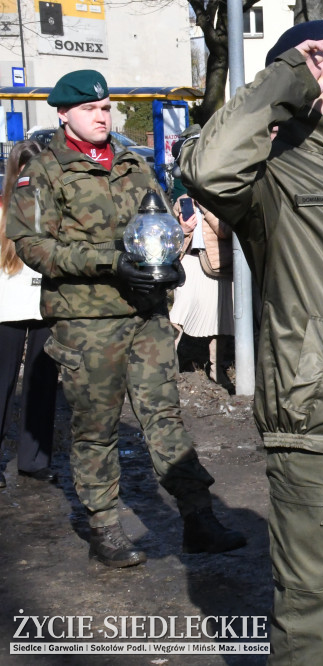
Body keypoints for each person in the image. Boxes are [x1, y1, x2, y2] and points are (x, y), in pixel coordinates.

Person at [178, 21, 323, 664]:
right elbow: (206, 167)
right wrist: (287, 73)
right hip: (314, 421)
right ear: (310, 81)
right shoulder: (271, 171)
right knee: (311, 610)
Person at [6, 69, 245, 568]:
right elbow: (33, 247)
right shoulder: (44, 170)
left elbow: (156, 225)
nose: (102, 115)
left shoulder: (133, 163)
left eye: (106, 107)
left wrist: (168, 265)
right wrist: (110, 261)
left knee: (165, 417)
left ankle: (198, 519)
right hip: (87, 322)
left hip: (146, 315)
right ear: (64, 113)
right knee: (95, 427)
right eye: (91, 109)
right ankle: (104, 527)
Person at [0, 140, 59, 489]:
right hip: (5, 311)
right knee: (2, 385)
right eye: (27, 170)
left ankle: (34, 459)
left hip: (45, 307)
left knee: (42, 385)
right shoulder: (4, 208)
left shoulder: (55, 211)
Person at [168, 178, 235, 386]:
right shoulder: (183, 200)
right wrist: (183, 228)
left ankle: (217, 370)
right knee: (177, 314)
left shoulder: (224, 199)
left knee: (221, 318)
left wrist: (206, 208)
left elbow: (227, 231)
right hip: (189, 261)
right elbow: (171, 235)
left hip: (218, 264)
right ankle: (168, 367)